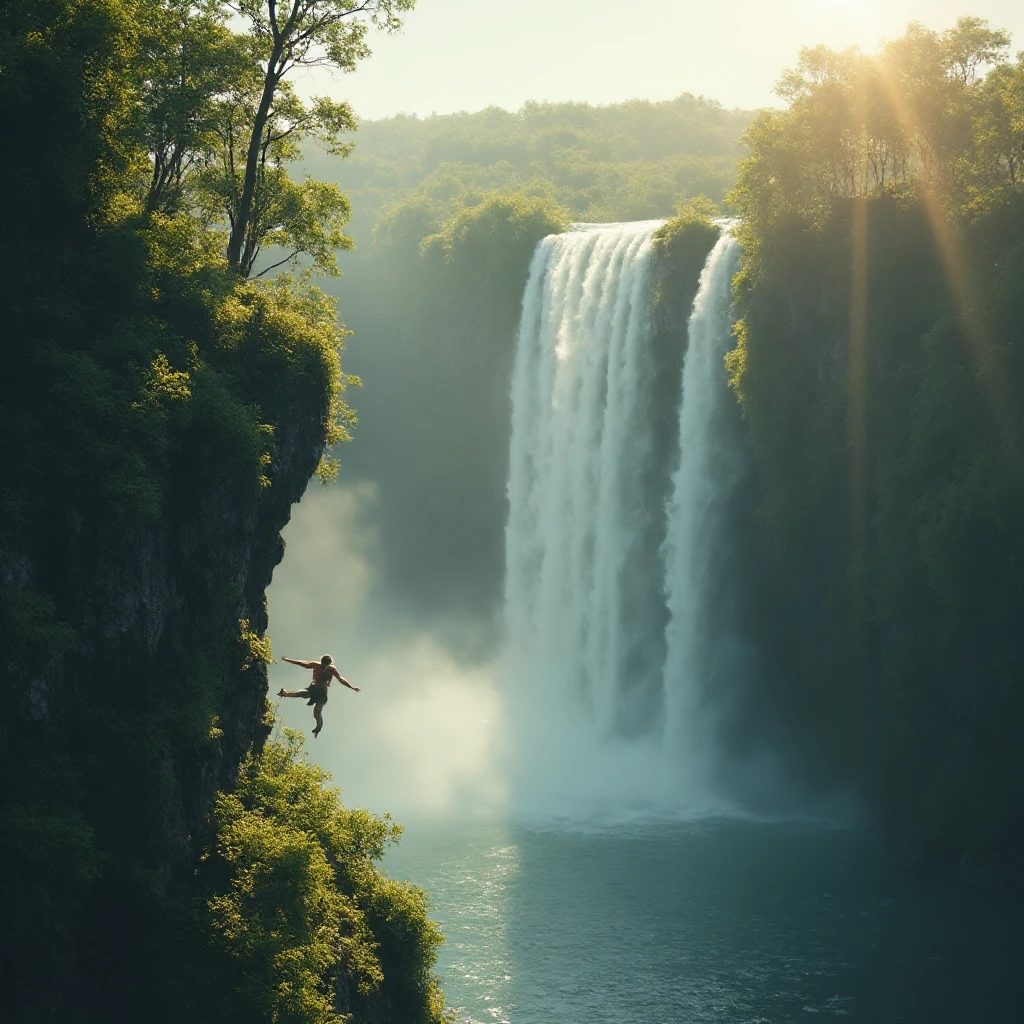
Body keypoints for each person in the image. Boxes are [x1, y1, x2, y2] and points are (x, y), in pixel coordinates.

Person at [277, 654, 359, 738]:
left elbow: (341, 679)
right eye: (323, 664)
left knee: (317, 710)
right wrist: (287, 660)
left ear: (329, 664)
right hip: (313, 688)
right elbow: (302, 663)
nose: (324, 667)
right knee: (302, 693)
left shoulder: (332, 670)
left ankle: (318, 727)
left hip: (322, 692)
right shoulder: (316, 665)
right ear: (321, 662)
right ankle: (285, 693)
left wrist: (351, 687)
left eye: (326, 665)